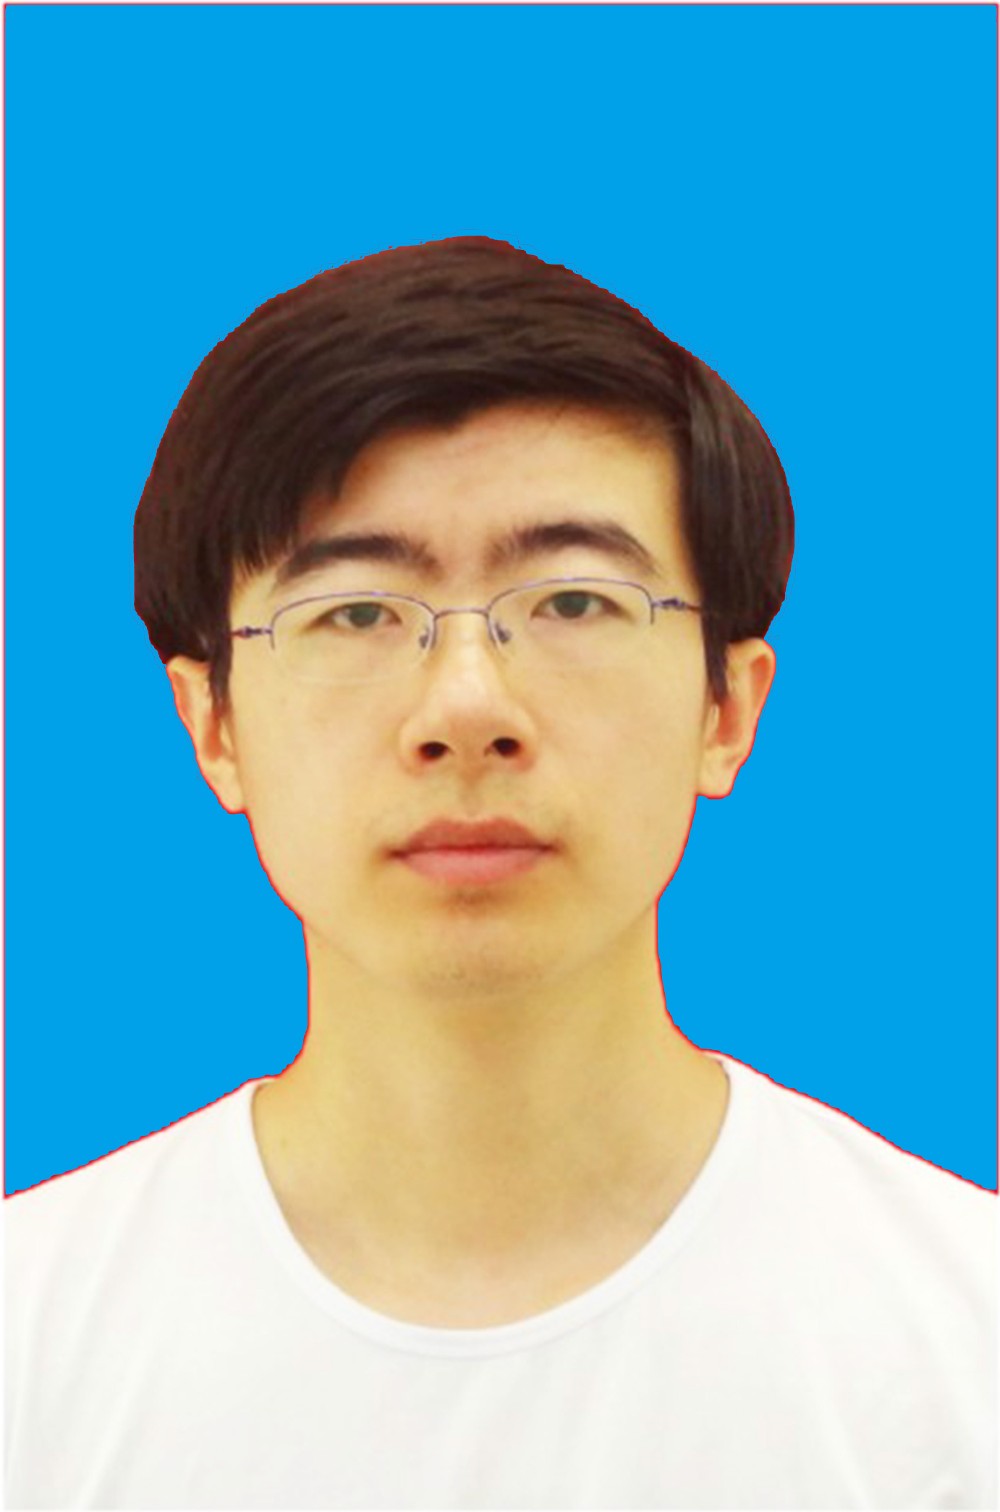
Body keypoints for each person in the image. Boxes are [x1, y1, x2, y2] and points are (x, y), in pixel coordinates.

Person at [5, 238, 995, 1511]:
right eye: (356, 613)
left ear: (727, 708)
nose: (467, 710)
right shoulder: (30, 1348)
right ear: (213, 725)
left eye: (573, 603)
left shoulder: (964, 1345)